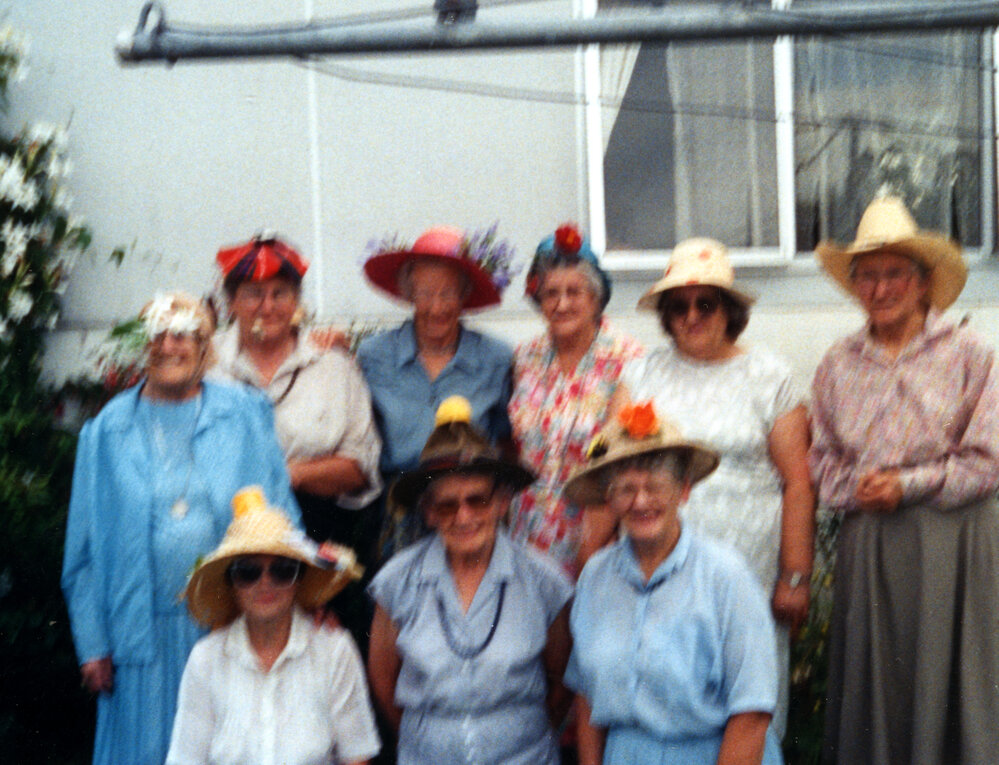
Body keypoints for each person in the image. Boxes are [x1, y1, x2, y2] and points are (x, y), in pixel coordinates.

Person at [61, 292, 302, 765]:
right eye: (157, 334)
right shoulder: (106, 432)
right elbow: (82, 553)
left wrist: (307, 598)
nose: (168, 345)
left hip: (227, 622)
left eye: (183, 334)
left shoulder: (244, 416)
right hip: (139, 638)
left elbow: (285, 519)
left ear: (205, 345)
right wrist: (92, 644)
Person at [810, 196, 999, 764]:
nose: (881, 288)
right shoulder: (838, 364)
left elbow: (989, 461)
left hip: (955, 541)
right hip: (873, 545)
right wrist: (860, 487)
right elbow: (819, 460)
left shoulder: (970, 355)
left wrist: (908, 485)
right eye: (867, 276)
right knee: (881, 689)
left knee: (959, 685)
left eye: (895, 274)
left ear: (922, 284)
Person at [619, 238, 814, 735]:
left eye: (706, 303)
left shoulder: (770, 376)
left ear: (728, 310)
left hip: (749, 569)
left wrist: (795, 576)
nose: (692, 316)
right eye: (679, 306)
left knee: (748, 699)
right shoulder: (640, 376)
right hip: (660, 566)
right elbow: (615, 470)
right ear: (666, 316)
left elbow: (798, 482)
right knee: (672, 696)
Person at [564, 402, 783, 764]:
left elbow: (752, 714)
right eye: (626, 489)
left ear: (683, 491)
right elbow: (587, 696)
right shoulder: (596, 576)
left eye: (655, 486)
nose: (641, 501)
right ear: (609, 499)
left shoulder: (726, 576)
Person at [366, 397, 573, 764]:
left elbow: (561, 682)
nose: (464, 518)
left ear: (501, 502)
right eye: (447, 505)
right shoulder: (397, 582)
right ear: (428, 511)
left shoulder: (545, 581)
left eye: (477, 501)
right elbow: (383, 681)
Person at [166, 486, 380, 765]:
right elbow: (186, 759)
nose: (265, 582)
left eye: (282, 570)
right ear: (231, 584)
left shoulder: (334, 649)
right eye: (248, 571)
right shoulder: (205, 659)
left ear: (299, 578)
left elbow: (357, 756)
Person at [358, 224, 518, 558]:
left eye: (447, 294)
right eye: (425, 294)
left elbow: (507, 440)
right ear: (408, 295)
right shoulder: (374, 356)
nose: (436, 307)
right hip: (401, 510)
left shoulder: (496, 358)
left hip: (470, 509)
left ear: (464, 297)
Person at [213, 232, 382, 545]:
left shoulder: (333, 366)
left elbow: (361, 466)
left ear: (296, 301)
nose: (268, 307)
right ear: (231, 302)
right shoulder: (208, 365)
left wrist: (291, 474)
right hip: (221, 526)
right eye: (253, 294)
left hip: (315, 529)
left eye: (280, 293)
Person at [508, 223, 642, 576]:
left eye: (574, 292)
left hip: (595, 539)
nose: (561, 304)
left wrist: (590, 553)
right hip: (527, 535)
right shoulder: (525, 358)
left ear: (595, 297)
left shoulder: (627, 360)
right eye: (550, 293)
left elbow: (618, 461)